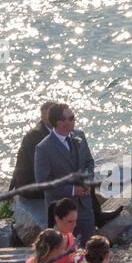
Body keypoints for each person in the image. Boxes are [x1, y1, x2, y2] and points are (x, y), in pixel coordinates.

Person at [33, 102, 96, 243]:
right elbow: (43, 183)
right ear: (59, 122)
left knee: (89, 248)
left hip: (84, 207)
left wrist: (87, 180)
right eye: (71, 118)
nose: (74, 120)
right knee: (64, 251)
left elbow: (89, 162)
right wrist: (73, 190)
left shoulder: (79, 136)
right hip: (62, 212)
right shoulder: (43, 148)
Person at [10, 102, 56, 230]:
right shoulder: (35, 135)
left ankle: (96, 216)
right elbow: (39, 167)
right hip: (30, 183)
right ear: (43, 117)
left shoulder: (57, 131)